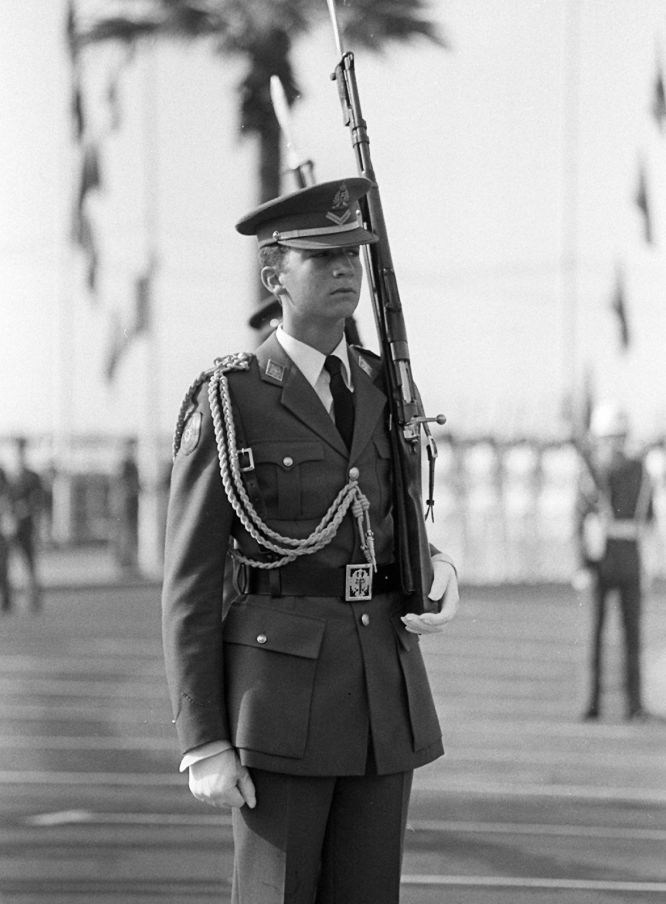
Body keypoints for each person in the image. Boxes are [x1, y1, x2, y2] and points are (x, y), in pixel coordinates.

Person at [161, 177, 460, 904]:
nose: (344, 270)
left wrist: (438, 568)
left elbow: (393, 523)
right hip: (280, 701)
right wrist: (203, 739)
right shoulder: (231, 399)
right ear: (274, 276)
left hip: (382, 695)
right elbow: (191, 584)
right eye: (322, 256)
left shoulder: (386, 387)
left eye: (353, 254)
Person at [574, 402, 654, 722]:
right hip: (599, 557)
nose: (616, 442)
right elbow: (579, 519)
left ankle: (634, 704)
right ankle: (591, 703)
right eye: (611, 437)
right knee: (593, 635)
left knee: (632, 635)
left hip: (628, 553)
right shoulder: (594, 469)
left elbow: (647, 517)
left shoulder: (635, 469)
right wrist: (581, 563)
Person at [8, 437, 44, 612]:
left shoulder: (32, 476)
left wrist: (26, 509)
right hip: (12, 525)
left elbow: (38, 500)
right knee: (9, 563)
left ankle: (33, 599)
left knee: (29, 562)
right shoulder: (11, 475)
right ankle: (10, 599)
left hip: (27, 525)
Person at [113, 438, 140, 574]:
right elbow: (125, 485)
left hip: (129, 503)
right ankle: (125, 561)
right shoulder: (125, 465)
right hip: (125, 504)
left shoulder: (129, 464)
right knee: (126, 532)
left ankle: (127, 561)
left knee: (128, 532)